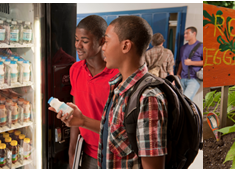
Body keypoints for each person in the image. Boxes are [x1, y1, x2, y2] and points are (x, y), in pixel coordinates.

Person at [54, 16, 167, 169]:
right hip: (97, 153)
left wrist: (83, 121)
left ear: (125, 46)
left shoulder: (148, 97)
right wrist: (80, 126)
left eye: (106, 41)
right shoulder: (120, 85)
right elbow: (116, 131)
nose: (104, 48)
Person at [68, 15, 119, 169]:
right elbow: (76, 115)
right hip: (86, 153)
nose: (78, 45)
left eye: (84, 41)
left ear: (102, 41)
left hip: (114, 154)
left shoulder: (117, 75)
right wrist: (71, 152)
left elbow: (120, 127)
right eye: (76, 39)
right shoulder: (75, 70)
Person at [177, 26, 203, 99]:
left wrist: (191, 62)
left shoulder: (201, 46)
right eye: (184, 33)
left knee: (186, 100)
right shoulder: (183, 47)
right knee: (181, 101)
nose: (185, 35)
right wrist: (178, 73)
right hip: (182, 79)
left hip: (194, 79)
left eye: (187, 33)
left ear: (194, 33)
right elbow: (181, 62)